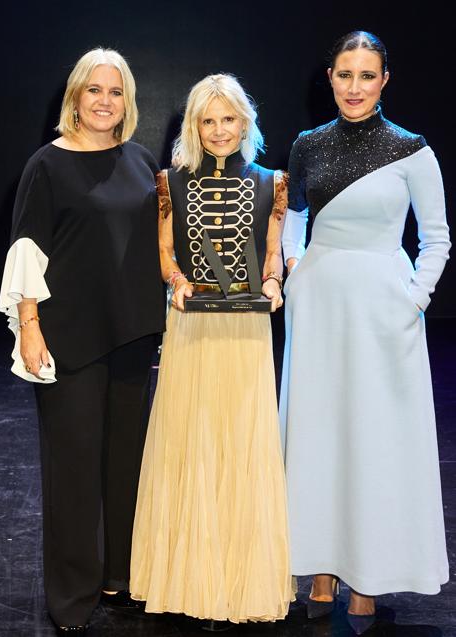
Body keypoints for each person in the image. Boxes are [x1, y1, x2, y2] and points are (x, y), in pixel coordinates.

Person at [280, 31, 450, 634]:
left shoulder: (411, 149)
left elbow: (437, 237)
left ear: (384, 80)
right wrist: (296, 269)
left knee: (375, 438)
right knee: (318, 433)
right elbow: (293, 214)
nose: (354, 87)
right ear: (329, 76)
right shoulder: (307, 145)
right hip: (319, 305)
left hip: (383, 309)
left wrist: (413, 300)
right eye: (345, 74)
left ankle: (368, 578)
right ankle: (320, 568)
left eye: (367, 76)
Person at [0, 48, 165, 634]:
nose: (104, 100)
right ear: (74, 97)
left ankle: (120, 577)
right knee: (72, 470)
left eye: (115, 91)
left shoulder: (142, 161)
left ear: (128, 100)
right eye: (93, 90)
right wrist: (31, 329)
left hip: (132, 335)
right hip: (68, 337)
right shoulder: (47, 165)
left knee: (126, 465)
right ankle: (72, 595)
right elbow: (26, 252)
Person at [130, 73, 293, 627]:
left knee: (242, 443)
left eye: (229, 119)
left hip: (246, 336)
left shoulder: (272, 182)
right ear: (194, 127)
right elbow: (163, 255)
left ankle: (240, 578)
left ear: (244, 122)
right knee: (192, 439)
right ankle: (187, 578)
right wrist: (176, 281)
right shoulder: (171, 183)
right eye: (208, 120)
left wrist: (273, 286)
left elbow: (272, 255)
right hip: (192, 331)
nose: (219, 130)